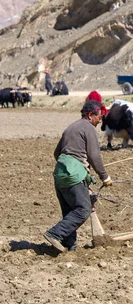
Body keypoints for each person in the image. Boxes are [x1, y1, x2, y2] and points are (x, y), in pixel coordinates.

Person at [44, 101, 113, 253]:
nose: (100, 120)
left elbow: (57, 153)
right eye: (99, 117)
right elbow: (94, 156)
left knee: (70, 211)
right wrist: (105, 177)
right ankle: (54, 233)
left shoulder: (71, 127)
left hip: (60, 172)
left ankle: (70, 245)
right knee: (83, 209)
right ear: (90, 115)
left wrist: (72, 168)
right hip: (74, 174)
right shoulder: (89, 129)